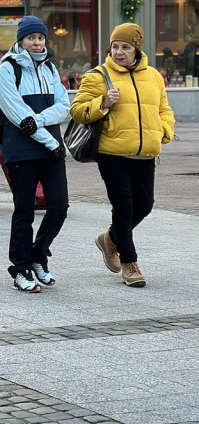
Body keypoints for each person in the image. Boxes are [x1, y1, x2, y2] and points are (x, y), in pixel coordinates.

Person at [70, 23, 175, 288]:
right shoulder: (98, 75)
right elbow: (77, 111)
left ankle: (110, 238)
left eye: (125, 47)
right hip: (112, 152)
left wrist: (163, 130)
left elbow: (164, 109)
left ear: (136, 49)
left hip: (145, 153)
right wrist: (102, 103)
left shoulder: (153, 76)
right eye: (115, 46)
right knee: (124, 206)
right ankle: (129, 263)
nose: (119, 52)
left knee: (145, 205)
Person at [0, 16, 70, 293]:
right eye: (31, 38)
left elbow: (64, 105)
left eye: (40, 38)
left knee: (59, 207)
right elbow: (15, 113)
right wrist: (47, 139)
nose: (37, 43)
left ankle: (39, 254)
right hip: (24, 150)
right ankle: (20, 267)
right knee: (24, 211)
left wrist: (39, 121)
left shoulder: (49, 68)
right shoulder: (8, 68)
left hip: (50, 146)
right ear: (21, 40)